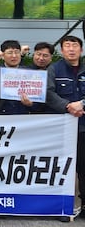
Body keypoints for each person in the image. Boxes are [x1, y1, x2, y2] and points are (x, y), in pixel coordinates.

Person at [45, 35, 85, 217]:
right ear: (61, 51)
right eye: (67, 46)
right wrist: (68, 106)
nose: (71, 49)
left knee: (83, 167)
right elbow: (48, 93)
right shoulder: (53, 69)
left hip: (83, 126)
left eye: (74, 45)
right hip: (62, 128)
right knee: (62, 167)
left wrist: (81, 104)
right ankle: (61, 207)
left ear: (81, 50)